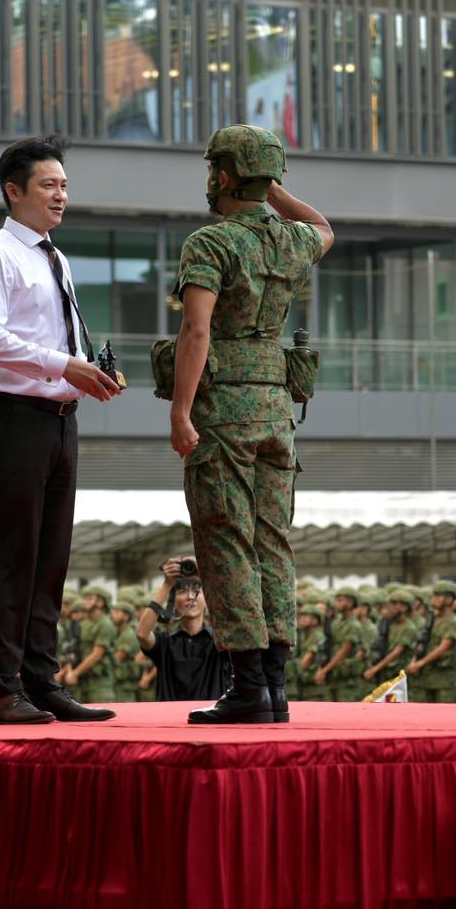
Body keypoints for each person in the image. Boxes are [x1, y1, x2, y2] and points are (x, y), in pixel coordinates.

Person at [169, 123, 333, 724]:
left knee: (226, 541)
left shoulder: (210, 243)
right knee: (273, 543)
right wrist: (272, 191)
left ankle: (247, 686)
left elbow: (197, 331)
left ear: (223, 175)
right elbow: (324, 228)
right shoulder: (292, 241)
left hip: (223, 415)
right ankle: (275, 687)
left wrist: (180, 410)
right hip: (276, 412)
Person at [0, 135, 123, 725]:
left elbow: (56, 342)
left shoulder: (55, 257)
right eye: (48, 185)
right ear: (14, 191)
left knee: (51, 558)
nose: (60, 196)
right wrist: (64, 366)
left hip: (59, 420)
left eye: (64, 185)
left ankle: (41, 680)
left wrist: (89, 373)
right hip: (11, 419)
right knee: (12, 557)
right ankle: (2, 689)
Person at [135, 567, 232, 704]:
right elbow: (142, 633)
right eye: (182, 592)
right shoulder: (165, 643)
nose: (190, 597)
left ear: (207, 600)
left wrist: (208, 571)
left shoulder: (220, 641)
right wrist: (167, 584)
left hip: (211, 714)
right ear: (173, 602)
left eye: (196, 591)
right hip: (171, 716)